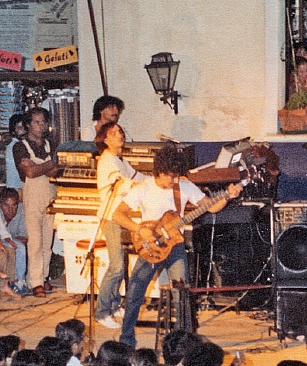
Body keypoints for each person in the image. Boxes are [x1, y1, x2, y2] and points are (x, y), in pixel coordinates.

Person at [112, 146, 240, 347]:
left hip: (175, 247)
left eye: (176, 176)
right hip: (150, 247)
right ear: (159, 172)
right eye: (170, 177)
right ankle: (126, 340)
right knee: (135, 292)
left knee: (182, 295)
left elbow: (212, 206)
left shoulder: (184, 186)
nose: (174, 181)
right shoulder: (143, 188)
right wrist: (139, 229)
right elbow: (117, 214)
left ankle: (185, 342)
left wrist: (227, 195)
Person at [93, 122, 143, 329]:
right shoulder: (107, 161)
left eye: (121, 132)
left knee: (120, 265)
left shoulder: (119, 160)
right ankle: (101, 312)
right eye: (114, 133)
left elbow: (137, 177)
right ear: (105, 139)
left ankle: (114, 306)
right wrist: (144, 186)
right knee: (116, 266)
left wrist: (155, 182)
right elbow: (122, 184)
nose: (119, 136)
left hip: (119, 216)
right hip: (111, 217)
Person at [15, 107, 58, 296]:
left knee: (48, 240)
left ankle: (45, 277)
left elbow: (56, 173)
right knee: (35, 242)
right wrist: (50, 164)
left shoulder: (51, 144)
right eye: (36, 122)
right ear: (27, 125)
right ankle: (35, 282)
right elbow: (30, 173)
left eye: (43, 122)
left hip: (50, 196)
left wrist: (39, 166)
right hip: (32, 198)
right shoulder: (20, 146)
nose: (41, 126)